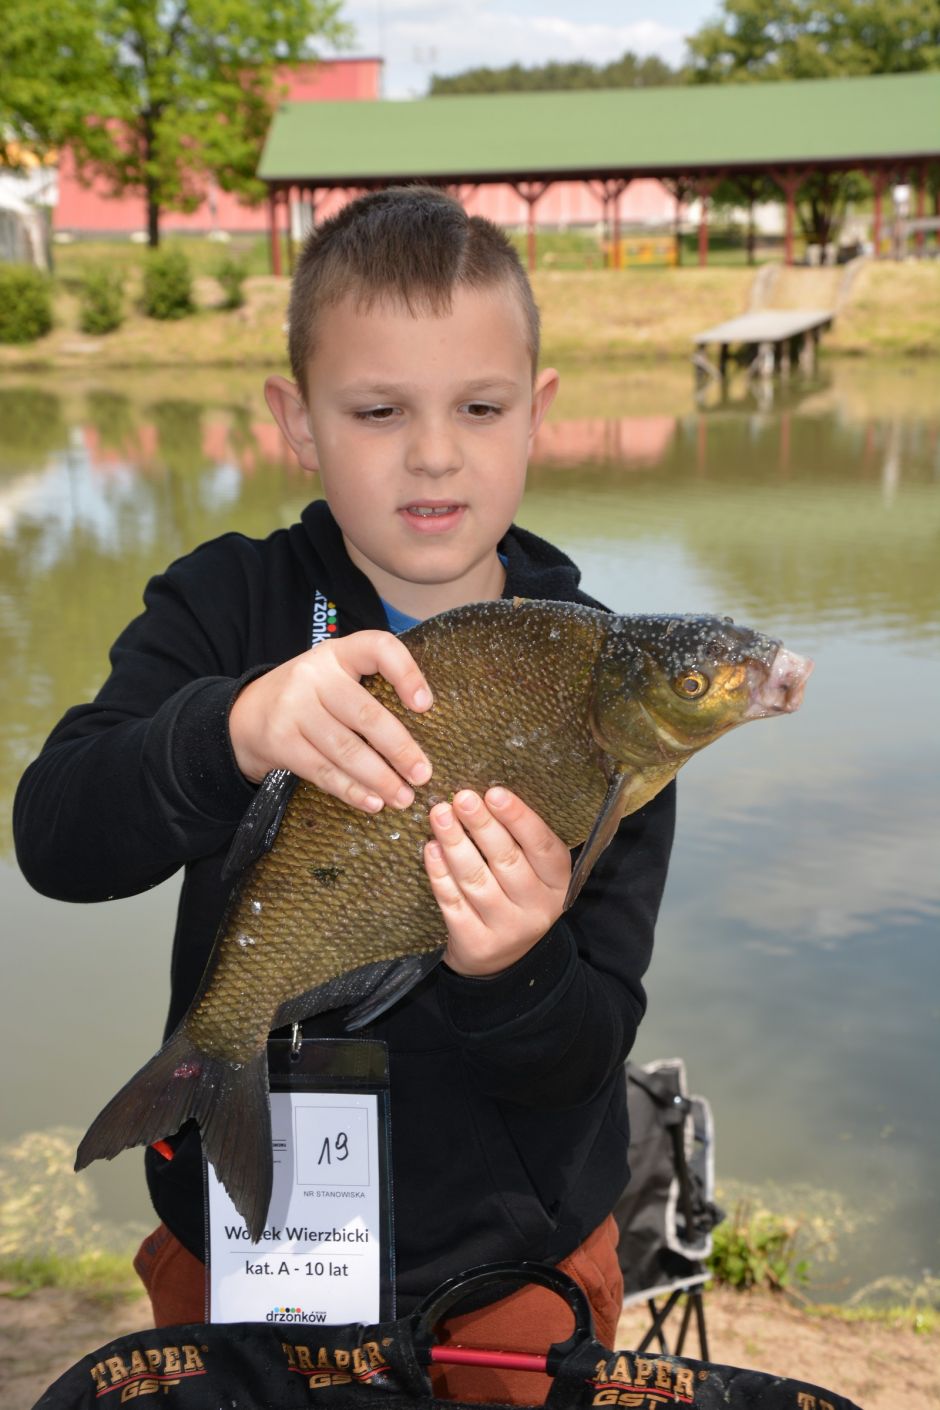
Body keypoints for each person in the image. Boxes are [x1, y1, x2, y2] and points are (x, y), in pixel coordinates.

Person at [13, 187, 675, 1402]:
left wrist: (515, 967)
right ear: (298, 423)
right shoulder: (227, 606)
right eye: (377, 411)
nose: (434, 452)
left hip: (510, 1264)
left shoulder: (608, 683)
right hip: (245, 1243)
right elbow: (55, 839)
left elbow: (590, 1050)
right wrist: (231, 730)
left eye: (480, 408)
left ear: (540, 414)